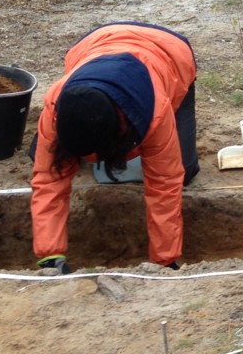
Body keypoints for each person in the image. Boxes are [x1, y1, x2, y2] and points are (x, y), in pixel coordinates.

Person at [30, 22, 199, 274]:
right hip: (97, 41)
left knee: (183, 170)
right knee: (50, 159)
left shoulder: (157, 113)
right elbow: (48, 178)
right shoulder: (56, 106)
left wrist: (165, 260)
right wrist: (50, 255)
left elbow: (164, 184)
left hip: (171, 53)